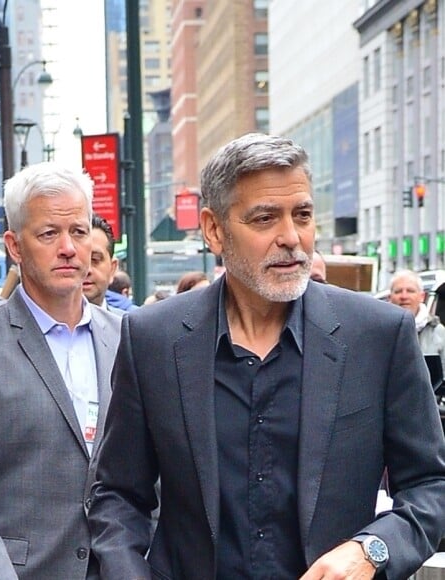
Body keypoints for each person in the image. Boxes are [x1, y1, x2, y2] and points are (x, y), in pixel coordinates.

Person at [88, 133, 445, 580]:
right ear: (214, 229)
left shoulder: (376, 335)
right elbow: (118, 496)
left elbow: (431, 486)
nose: (291, 238)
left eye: (303, 215)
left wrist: (371, 550)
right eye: (265, 219)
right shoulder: (152, 338)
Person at [0, 162, 122, 579]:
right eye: (49, 234)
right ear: (15, 247)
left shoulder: (127, 337)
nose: (68, 247)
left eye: (79, 231)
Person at [389, 269, 445, 373]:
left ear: (422, 296)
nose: (404, 296)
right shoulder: (379, 331)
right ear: (390, 297)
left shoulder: (438, 331)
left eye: (410, 291)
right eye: (398, 291)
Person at [83, 214, 122, 314]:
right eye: (79, 260)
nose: (87, 270)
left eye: (95, 259)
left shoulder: (128, 327)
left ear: (112, 269)